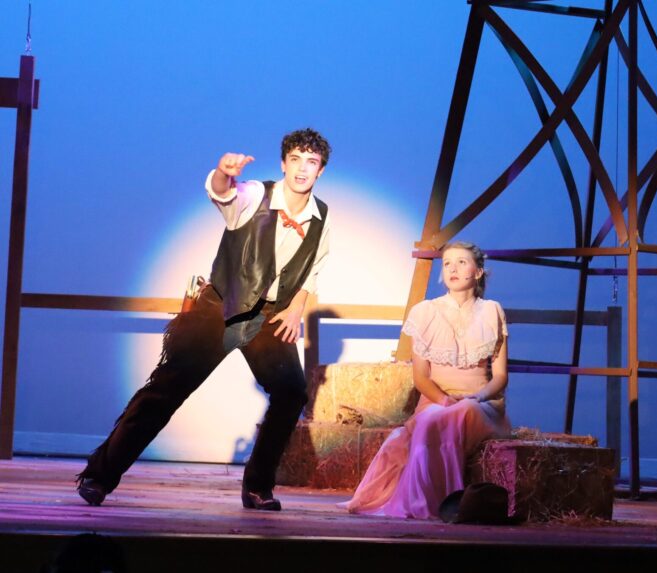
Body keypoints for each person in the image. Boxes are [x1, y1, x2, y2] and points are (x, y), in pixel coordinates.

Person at [76, 128, 332, 511]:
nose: (301, 169)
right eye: (295, 159)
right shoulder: (255, 195)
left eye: (311, 162)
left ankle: (258, 487)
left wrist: (297, 307)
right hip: (222, 308)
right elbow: (222, 194)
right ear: (283, 163)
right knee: (166, 389)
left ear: (320, 171)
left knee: (292, 391)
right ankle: (98, 476)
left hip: (267, 316)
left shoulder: (321, 215)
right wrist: (223, 173)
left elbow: (314, 267)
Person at [343, 241, 511, 519]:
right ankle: (428, 503)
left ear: (478, 272)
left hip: (480, 405)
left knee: (464, 411)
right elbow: (421, 377)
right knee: (432, 420)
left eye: (461, 262)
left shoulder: (492, 310)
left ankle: (451, 503)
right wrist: (445, 400)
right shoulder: (425, 312)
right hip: (437, 401)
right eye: (447, 264)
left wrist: (478, 396)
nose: (453, 269)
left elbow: (501, 375)